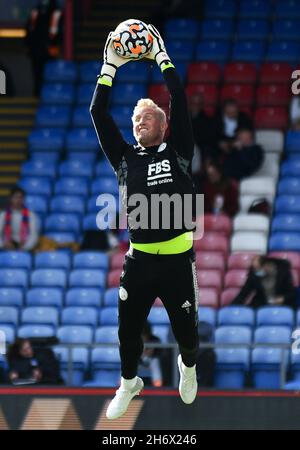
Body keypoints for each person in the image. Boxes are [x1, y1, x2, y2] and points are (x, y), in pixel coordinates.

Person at [90, 25, 199, 420]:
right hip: (138, 261)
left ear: (163, 125)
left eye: (146, 118)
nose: (139, 123)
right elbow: (97, 113)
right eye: (136, 120)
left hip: (176, 260)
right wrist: (110, 67)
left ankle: (188, 369)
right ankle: (128, 382)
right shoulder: (124, 158)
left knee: (187, 337)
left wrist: (160, 57)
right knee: (126, 332)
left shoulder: (180, 149)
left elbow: (179, 96)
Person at [25, 0, 62, 96]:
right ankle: (37, 93)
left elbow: (57, 30)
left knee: (51, 74)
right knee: (37, 73)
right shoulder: (36, 10)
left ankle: (49, 94)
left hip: (50, 49)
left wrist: (54, 45)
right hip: (36, 49)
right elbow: (29, 29)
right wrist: (29, 46)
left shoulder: (56, 10)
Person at [231, 255, 297, 308]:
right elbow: (244, 293)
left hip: (282, 304)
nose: (256, 272)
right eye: (254, 269)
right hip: (262, 303)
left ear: (266, 266)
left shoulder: (283, 272)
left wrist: (282, 299)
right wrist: (231, 308)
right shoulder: (254, 273)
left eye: (258, 269)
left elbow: (291, 293)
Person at [0, 185, 39, 251]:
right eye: (16, 197)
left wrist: (25, 247)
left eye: (21, 197)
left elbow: (34, 235)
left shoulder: (31, 215)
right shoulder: (3, 215)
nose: (18, 200)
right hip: (6, 246)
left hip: (25, 247)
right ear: (10, 199)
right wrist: (3, 244)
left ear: (24, 199)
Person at [138, 321, 163, 387]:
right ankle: (124, 384)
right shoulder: (134, 340)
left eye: (145, 334)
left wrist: (148, 353)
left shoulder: (155, 339)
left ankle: (157, 384)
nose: (143, 337)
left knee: (155, 361)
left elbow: (158, 353)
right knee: (127, 361)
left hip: (150, 361)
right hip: (137, 361)